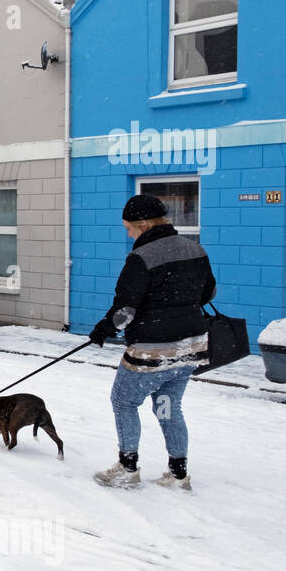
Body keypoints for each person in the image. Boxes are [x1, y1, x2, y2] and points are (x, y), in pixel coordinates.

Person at [87, 194, 216, 490]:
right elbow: (207, 293)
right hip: (190, 347)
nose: (129, 234)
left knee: (124, 401)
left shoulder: (141, 257)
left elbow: (125, 310)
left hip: (152, 350)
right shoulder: (195, 249)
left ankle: (127, 468)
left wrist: (104, 329)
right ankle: (178, 474)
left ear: (144, 224)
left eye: (129, 228)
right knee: (168, 406)